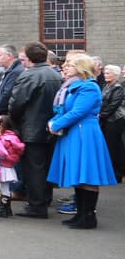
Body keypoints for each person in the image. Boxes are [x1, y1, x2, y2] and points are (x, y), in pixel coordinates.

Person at [46, 53, 116, 230]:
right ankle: (80, 214)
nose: (65, 67)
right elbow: (63, 110)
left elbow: (78, 112)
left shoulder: (89, 87)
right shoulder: (70, 86)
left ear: (80, 68)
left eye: (70, 65)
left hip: (85, 132)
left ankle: (89, 216)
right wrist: (53, 122)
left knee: (87, 173)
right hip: (75, 131)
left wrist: (56, 124)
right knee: (78, 172)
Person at [8, 42, 63, 219]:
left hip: (31, 128)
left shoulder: (29, 75)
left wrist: (14, 123)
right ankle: (44, 200)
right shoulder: (55, 75)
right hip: (51, 127)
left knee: (34, 169)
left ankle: (37, 206)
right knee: (46, 166)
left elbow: (17, 103)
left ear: (29, 57)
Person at [100, 64, 125, 183]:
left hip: (115, 120)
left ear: (115, 75)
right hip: (106, 120)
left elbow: (113, 105)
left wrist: (101, 114)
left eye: (108, 73)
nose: (105, 75)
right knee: (108, 147)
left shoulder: (118, 88)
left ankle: (117, 174)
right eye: (105, 73)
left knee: (115, 147)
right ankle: (110, 173)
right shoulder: (106, 86)